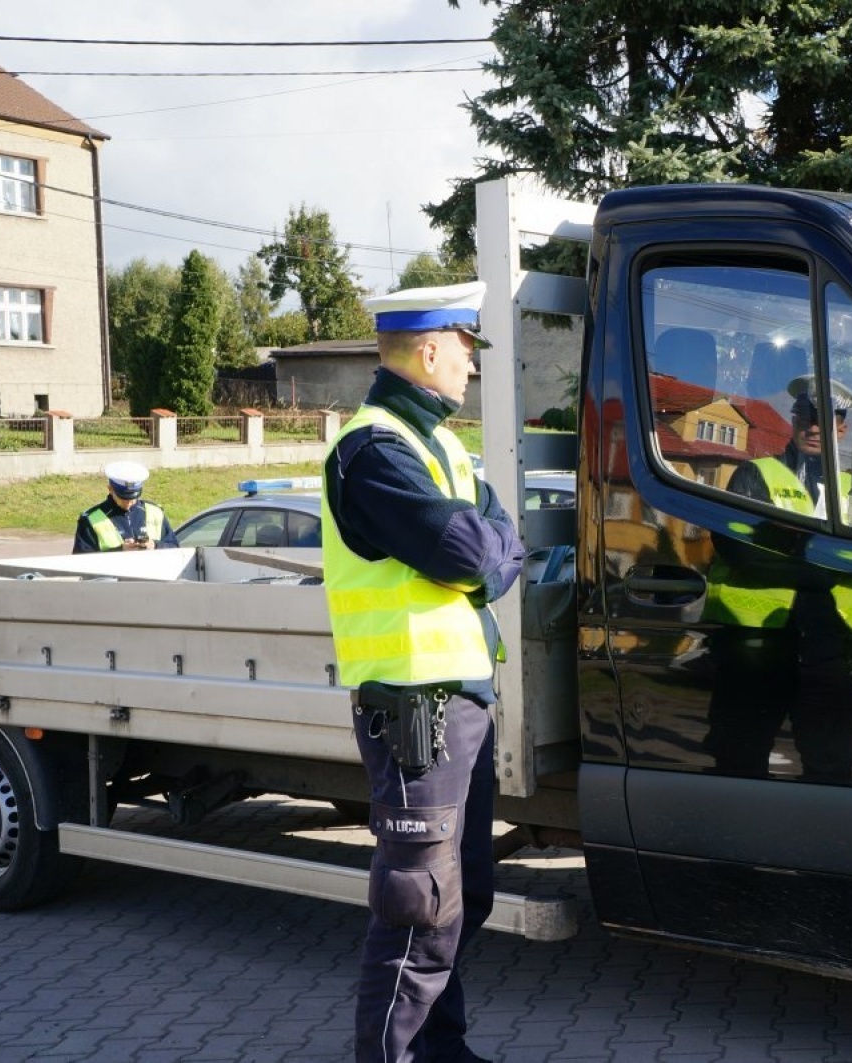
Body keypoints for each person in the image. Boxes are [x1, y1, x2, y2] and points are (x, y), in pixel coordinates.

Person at [321, 280, 525, 1063]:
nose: (472, 365)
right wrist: (485, 554)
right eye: (466, 347)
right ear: (430, 347)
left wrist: (485, 553)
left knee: (463, 890)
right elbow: (476, 551)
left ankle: (443, 1049)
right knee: (419, 903)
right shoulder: (372, 449)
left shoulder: (442, 447)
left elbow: (505, 544)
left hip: (461, 701)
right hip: (412, 704)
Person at [702, 375, 852, 781]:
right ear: (793, 419)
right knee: (739, 759)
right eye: (807, 416)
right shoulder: (755, 475)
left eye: (827, 418)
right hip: (756, 646)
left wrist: (790, 550)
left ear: (842, 427)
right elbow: (741, 549)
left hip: (830, 645)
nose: (815, 427)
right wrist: (822, 570)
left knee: (833, 762)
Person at [72, 460, 179, 553]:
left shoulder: (155, 512)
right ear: (110, 489)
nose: (128, 502)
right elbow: (82, 561)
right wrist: (120, 551)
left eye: (133, 497)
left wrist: (155, 545)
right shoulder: (90, 519)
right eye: (123, 497)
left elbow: (175, 548)